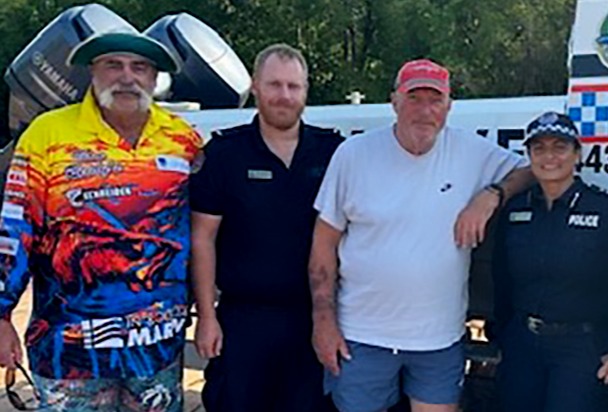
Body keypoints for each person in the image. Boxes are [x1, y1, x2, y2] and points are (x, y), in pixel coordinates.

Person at [309, 58, 532, 412]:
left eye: (435, 100)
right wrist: (323, 321)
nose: (425, 111)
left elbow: (530, 171)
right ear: (394, 102)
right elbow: (323, 244)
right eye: (414, 98)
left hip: (439, 340)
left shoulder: (470, 151)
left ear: (449, 107)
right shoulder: (353, 154)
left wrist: (492, 195)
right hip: (361, 336)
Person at [0, 31, 202, 411]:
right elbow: (14, 230)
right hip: (69, 351)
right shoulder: (47, 135)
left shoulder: (184, 140)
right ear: (92, 72)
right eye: (113, 65)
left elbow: (205, 230)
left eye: (139, 67)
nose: (126, 77)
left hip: (156, 350)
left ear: (154, 79)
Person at [190, 43, 343, 412]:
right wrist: (207, 317)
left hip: (312, 319)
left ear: (306, 91)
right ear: (256, 87)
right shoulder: (225, 154)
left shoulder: (333, 152)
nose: (284, 96)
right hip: (244, 319)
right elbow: (202, 238)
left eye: (294, 87)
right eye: (275, 85)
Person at [492, 112, 608, 412]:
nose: (549, 157)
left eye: (560, 147)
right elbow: (501, 278)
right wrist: (505, 334)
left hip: (582, 348)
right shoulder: (515, 211)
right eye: (539, 148)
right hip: (522, 344)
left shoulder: (602, 210)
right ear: (528, 155)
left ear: (577, 154)